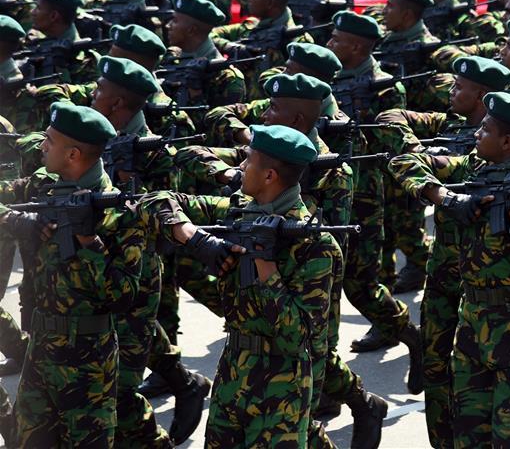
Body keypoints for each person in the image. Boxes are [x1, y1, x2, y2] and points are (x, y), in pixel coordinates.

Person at [138, 124, 340, 447]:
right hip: (233, 370)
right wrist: (195, 238)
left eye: (248, 161)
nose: (241, 167)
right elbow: (155, 201)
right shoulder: (237, 212)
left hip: (282, 385)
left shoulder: (314, 245)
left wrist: (265, 264)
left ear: (270, 176)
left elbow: (298, 336)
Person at [389, 91, 510, 447]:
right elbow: (403, 162)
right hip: (472, 322)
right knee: (468, 438)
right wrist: (446, 198)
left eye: (485, 129)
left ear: (506, 142)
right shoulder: (472, 171)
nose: (476, 134)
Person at [0, 102, 141, 447]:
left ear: (73, 154)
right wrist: (16, 220)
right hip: (40, 349)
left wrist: (89, 241)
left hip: (89, 360)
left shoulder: (118, 211)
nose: (42, 146)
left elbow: (123, 296)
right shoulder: (41, 188)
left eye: (49, 140)